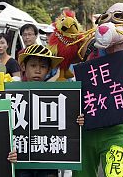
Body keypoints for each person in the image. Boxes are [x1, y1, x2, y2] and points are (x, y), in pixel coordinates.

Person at [17, 44, 84, 177]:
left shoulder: (59, 95)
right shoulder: (12, 93)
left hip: (48, 159)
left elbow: (69, 120)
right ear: (24, 67)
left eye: (43, 67)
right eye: (33, 65)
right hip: (20, 159)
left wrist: (78, 120)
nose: (38, 70)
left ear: (48, 70)